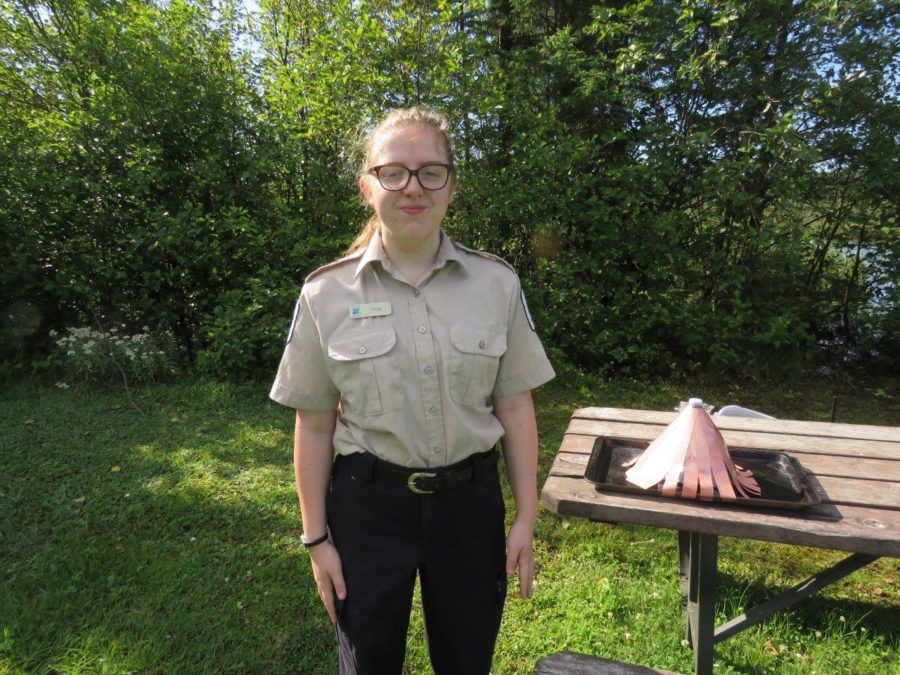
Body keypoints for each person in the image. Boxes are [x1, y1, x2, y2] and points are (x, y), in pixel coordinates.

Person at [270, 106, 555, 675]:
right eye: (393, 172)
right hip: (366, 510)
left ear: (452, 186)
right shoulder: (325, 294)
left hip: (470, 509)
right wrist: (316, 539)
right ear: (366, 187)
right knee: (370, 661)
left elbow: (516, 405)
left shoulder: (496, 283)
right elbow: (315, 422)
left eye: (431, 171)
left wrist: (524, 516)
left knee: (467, 660)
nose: (412, 187)